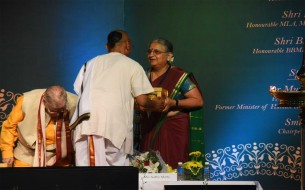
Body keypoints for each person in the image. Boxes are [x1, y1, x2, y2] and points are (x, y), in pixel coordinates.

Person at [70, 29, 166, 166]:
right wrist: (156, 105)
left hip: (88, 125)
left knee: (88, 176)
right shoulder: (133, 65)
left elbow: (79, 90)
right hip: (115, 129)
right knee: (115, 175)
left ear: (107, 47)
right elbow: (142, 101)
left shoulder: (89, 63)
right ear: (127, 45)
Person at [139, 38, 204, 169]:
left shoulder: (179, 75)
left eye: (156, 51)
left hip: (173, 129)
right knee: (148, 167)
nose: (151, 55)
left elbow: (198, 101)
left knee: (173, 166)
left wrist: (173, 102)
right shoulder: (143, 74)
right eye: (149, 51)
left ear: (169, 56)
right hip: (149, 127)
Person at [0, 85, 78, 167]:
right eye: (54, 111)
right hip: (28, 155)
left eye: (61, 110)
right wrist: (7, 152)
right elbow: (9, 127)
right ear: (44, 101)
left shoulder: (75, 103)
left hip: (62, 156)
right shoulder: (27, 100)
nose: (58, 114)